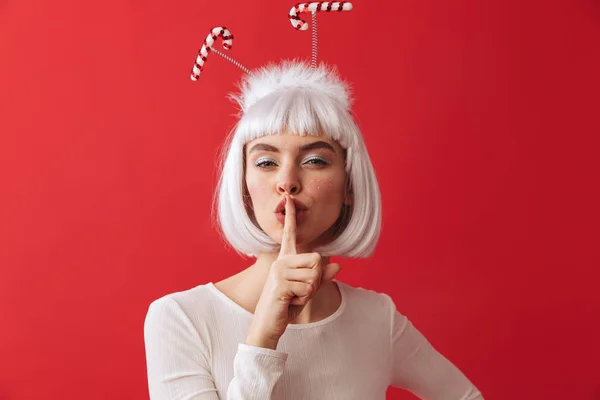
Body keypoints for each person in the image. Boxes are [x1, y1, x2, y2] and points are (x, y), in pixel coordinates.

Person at [143, 58, 485, 399]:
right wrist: (262, 337)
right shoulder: (181, 319)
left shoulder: (378, 318)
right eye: (266, 162)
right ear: (243, 184)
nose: (287, 182)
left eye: (315, 161)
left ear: (349, 185)